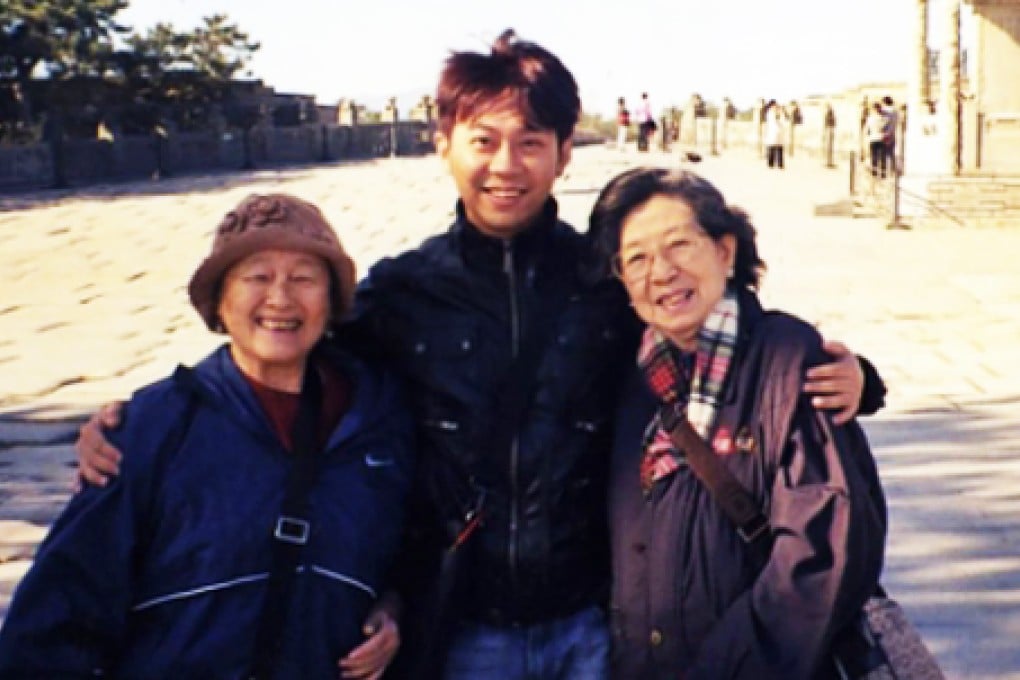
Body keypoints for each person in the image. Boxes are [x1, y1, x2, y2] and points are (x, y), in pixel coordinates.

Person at [73, 30, 881, 680]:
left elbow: (717, 332)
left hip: (596, 622)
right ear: (444, 145)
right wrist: (138, 424)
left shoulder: (603, 279)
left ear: (565, 152)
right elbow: (279, 362)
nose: (506, 165)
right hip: (458, 625)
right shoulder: (400, 293)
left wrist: (854, 377)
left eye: (531, 141)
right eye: (483, 140)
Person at [0, 194, 414, 679]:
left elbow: (411, 546)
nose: (280, 298)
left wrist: (394, 606)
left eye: (304, 278)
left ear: (332, 302)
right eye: (256, 277)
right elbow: (61, 606)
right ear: (219, 300)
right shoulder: (155, 428)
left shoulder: (377, 422)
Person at [587, 168, 887, 679]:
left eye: (679, 244)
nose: (661, 272)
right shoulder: (625, 377)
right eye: (636, 258)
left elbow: (819, 558)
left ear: (725, 252)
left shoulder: (789, 362)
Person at [865, 101, 889, 178]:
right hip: (881, 138)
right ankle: (883, 174)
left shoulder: (869, 119)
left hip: (873, 138)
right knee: (882, 157)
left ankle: (874, 173)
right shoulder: (884, 119)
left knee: (874, 156)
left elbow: (867, 130)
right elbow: (886, 129)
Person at [763, 99, 785, 169]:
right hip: (772, 132)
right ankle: (771, 164)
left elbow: (782, 121)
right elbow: (771, 122)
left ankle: (780, 164)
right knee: (771, 148)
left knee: (779, 148)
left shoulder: (780, 112)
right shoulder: (770, 113)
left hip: (779, 132)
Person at [881, 96, 899, 176]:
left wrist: (885, 132)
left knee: (884, 153)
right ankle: (892, 170)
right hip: (892, 134)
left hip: (885, 134)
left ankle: (884, 171)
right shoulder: (895, 112)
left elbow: (883, 124)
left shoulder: (885, 112)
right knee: (891, 153)